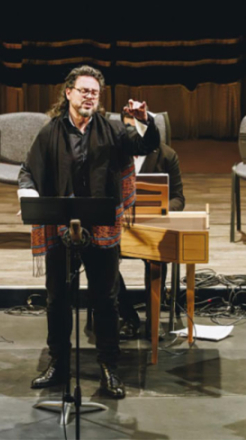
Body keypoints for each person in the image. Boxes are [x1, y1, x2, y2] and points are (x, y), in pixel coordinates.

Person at [18, 65, 160, 399]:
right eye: (83, 90)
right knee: (57, 300)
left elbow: (145, 145)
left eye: (94, 92)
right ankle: (58, 364)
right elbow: (28, 171)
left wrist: (145, 119)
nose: (89, 97)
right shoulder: (50, 132)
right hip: (59, 227)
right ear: (68, 93)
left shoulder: (112, 130)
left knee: (105, 301)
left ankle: (109, 367)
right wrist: (29, 196)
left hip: (101, 227)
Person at [116, 109, 185, 339]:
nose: (131, 132)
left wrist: (160, 211)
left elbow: (178, 198)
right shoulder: (113, 153)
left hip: (151, 224)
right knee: (100, 259)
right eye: (126, 127)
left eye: (136, 127)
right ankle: (128, 316)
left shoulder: (167, 155)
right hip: (118, 225)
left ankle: (152, 320)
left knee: (157, 256)